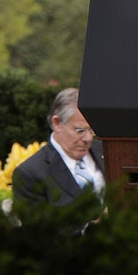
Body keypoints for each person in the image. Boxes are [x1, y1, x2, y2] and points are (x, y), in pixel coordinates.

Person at [11, 87, 104, 216]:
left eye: (91, 130)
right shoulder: (30, 174)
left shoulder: (106, 150)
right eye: (80, 131)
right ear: (57, 123)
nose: (88, 138)